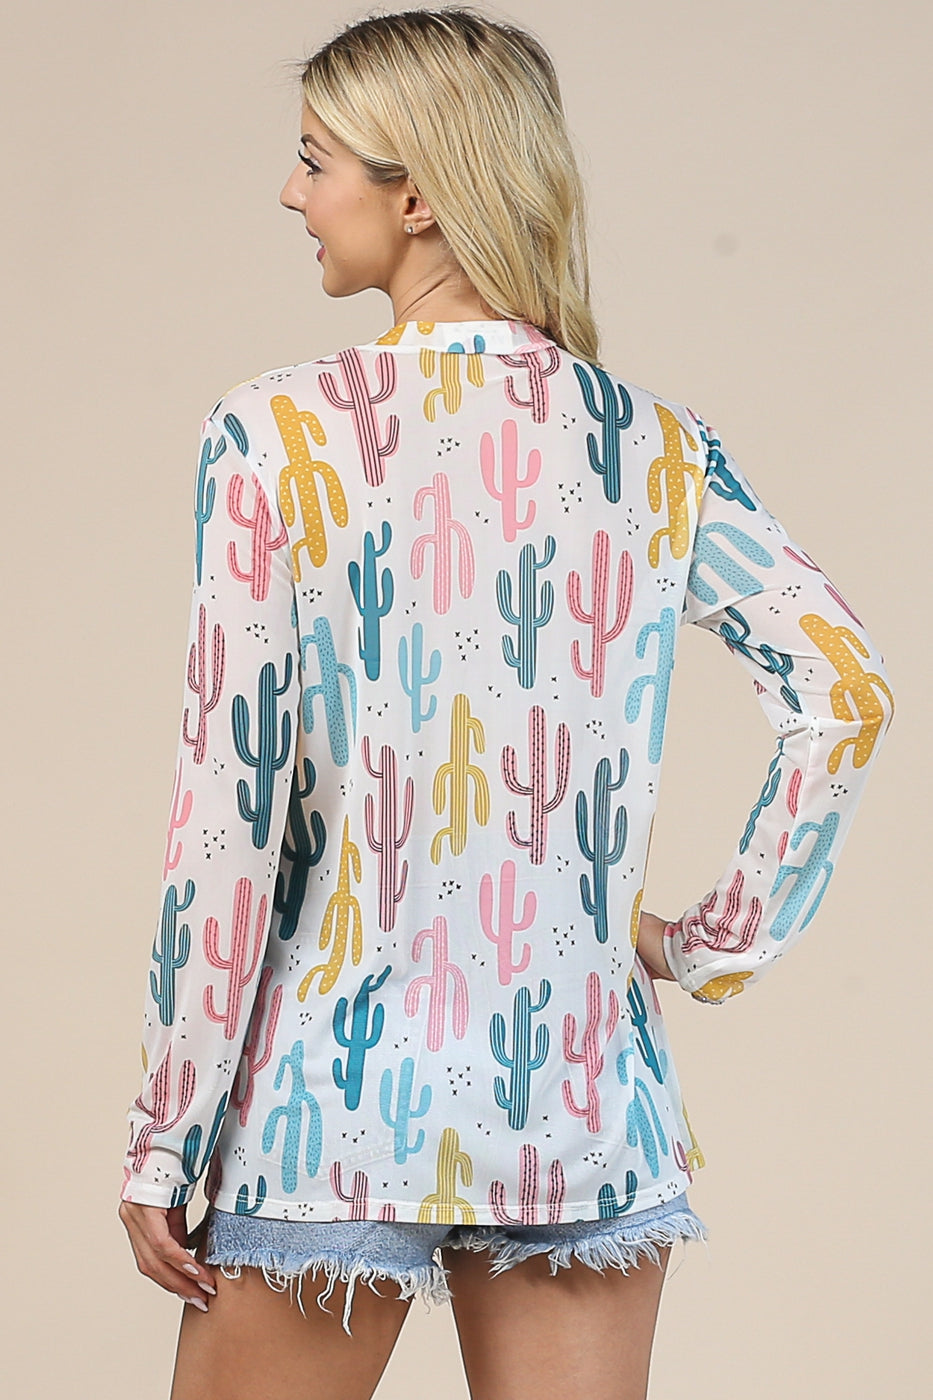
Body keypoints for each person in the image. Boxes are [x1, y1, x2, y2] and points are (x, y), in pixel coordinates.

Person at [117, 8, 895, 1399]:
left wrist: (167, 1132)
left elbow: (230, 815)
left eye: (315, 160)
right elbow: (843, 689)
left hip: (329, 1105)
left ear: (415, 195)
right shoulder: (652, 446)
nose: (290, 192)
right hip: (578, 1101)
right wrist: (708, 947)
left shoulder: (275, 434)